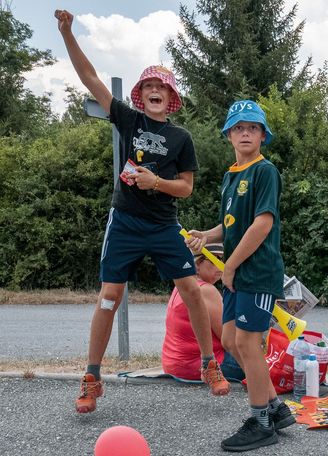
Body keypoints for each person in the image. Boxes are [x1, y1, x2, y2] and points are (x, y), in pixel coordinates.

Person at [55, 9, 230, 414]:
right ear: (141, 95)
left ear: (171, 97)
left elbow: (185, 188)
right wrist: (67, 34)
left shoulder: (181, 137)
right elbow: (90, 78)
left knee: (193, 288)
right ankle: (92, 377)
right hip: (126, 222)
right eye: (148, 85)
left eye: (161, 86)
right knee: (109, 296)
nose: (155, 90)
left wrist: (157, 184)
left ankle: (209, 364)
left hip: (164, 224)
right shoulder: (128, 119)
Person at [184, 99, 295, 452]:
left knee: (248, 343)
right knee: (232, 341)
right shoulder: (232, 175)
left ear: (263, 136)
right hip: (236, 274)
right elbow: (232, 226)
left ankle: (261, 423)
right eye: (238, 128)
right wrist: (207, 235)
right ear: (229, 135)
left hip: (257, 272)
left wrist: (229, 265)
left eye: (252, 127)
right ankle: (276, 409)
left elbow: (262, 224)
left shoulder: (265, 172)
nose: (245, 133)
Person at [162, 243, 245, 382]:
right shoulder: (207, 291)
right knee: (257, 359)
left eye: (223, 260)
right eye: (214, 260)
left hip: (174, 365)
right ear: (197, 264)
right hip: (199, 365)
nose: (221, 265)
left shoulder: (182, 287)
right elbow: (229, 339)